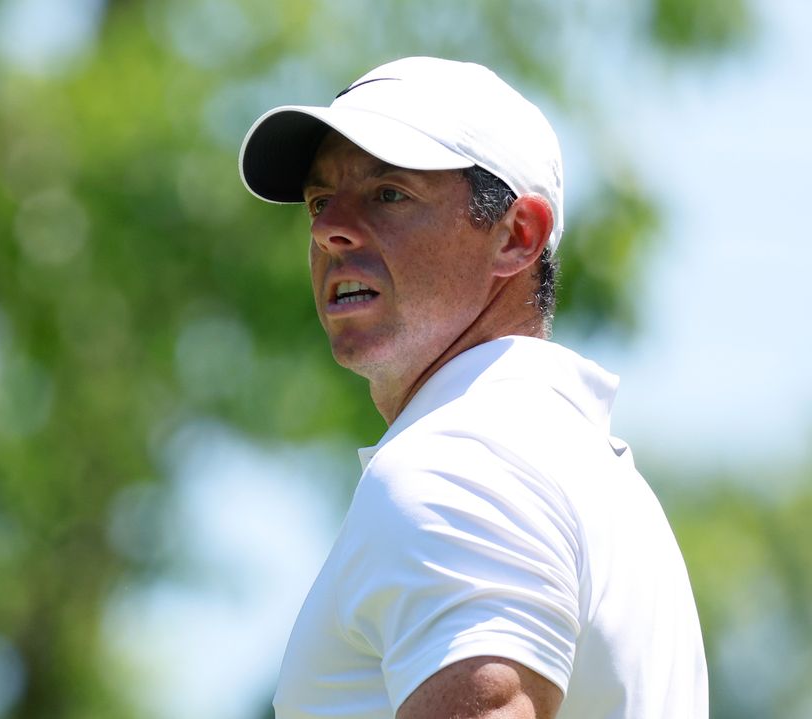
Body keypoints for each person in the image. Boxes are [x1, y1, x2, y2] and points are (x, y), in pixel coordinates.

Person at [237, 57, 707, 719]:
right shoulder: (583, 468)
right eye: (320, 201)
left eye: (388, 193)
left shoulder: (461, 460)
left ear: (518, 237)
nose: (326, 229)